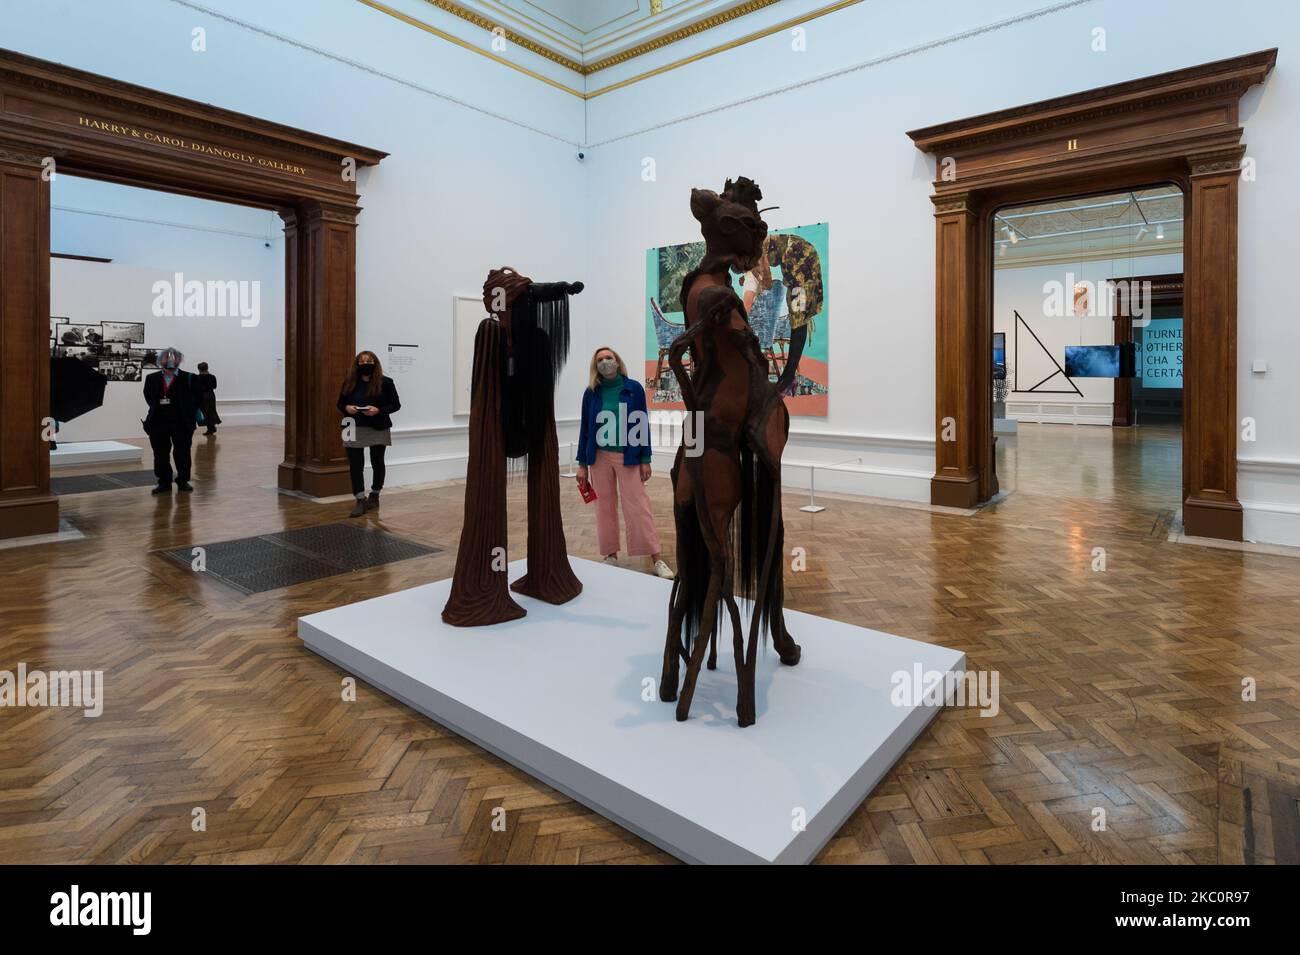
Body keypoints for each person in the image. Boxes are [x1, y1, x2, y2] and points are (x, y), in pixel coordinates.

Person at [576, 346, 674, 579]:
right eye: (600, 359)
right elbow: (585, 429)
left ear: (618, 362)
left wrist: (646, 459)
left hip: (627, 457)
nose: (605, 362)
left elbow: (642, 425)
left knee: (638, 507)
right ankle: (610, 555)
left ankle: (656, 558)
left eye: (609, 358)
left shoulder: (634, 389)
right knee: (604, 507)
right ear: (595, 365)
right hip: (598, 457)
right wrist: (581, 464)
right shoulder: (591, 392)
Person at [337, 350, 400, 518]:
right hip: (352, 426)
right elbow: (340, 403)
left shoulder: (386, 382)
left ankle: (375, 495)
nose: (365, 364)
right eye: (362, 361)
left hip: (377, 426)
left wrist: (378, 410)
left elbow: (395, 405)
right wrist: (347, 408)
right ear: (357, 364)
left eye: (369, 360)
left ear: (375, 363)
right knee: (355, 464)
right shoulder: (349, 382)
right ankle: (359, 499)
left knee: (377, 461)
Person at [142, 346, 198, 493]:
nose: (171, 362)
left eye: (174, 358)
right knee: (160, 454)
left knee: (183, 453)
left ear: (179, 360)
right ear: (161, 361)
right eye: (167, 358)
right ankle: (164, 482)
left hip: (182, 423)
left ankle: (183, 480)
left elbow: (196, 399)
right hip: (158, 422)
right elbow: (149, 397)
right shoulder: (151, 378)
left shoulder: (189, 378)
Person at [194, 361, 222, 436]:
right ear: (207, 368)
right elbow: (214, 386)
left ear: (199, 369)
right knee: (211, 411)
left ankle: (211, 428)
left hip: (202, 395)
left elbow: (196, 388)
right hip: (210, 395)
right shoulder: (212, 377)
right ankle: (211, 427)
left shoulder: (197, 378)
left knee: (204, 412)